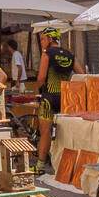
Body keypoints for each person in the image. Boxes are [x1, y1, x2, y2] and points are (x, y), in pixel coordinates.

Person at [34, 26, 77, 171]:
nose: (41, 42)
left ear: (50, 39)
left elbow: (41, 77)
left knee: (45, 132)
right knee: (66, 132)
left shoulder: (47, 54)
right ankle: (65, 165)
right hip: (66, 99)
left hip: (49, 98)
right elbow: (82, 74)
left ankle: (40, 165)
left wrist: (40, 89)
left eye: (43, 39)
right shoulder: (70, 54)